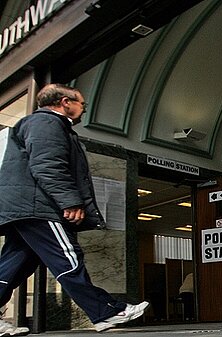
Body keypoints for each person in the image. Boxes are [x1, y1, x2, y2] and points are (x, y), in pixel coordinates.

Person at [0, 83, 148, 335]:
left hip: (24, 207)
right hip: (39, 207)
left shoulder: (40, 124)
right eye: (82, 103)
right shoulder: (47, 123)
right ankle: (106, 312)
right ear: (65, 102)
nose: (84, 109)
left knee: (15, 263)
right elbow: (48, 166)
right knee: (67, 257)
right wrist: (69, 201)